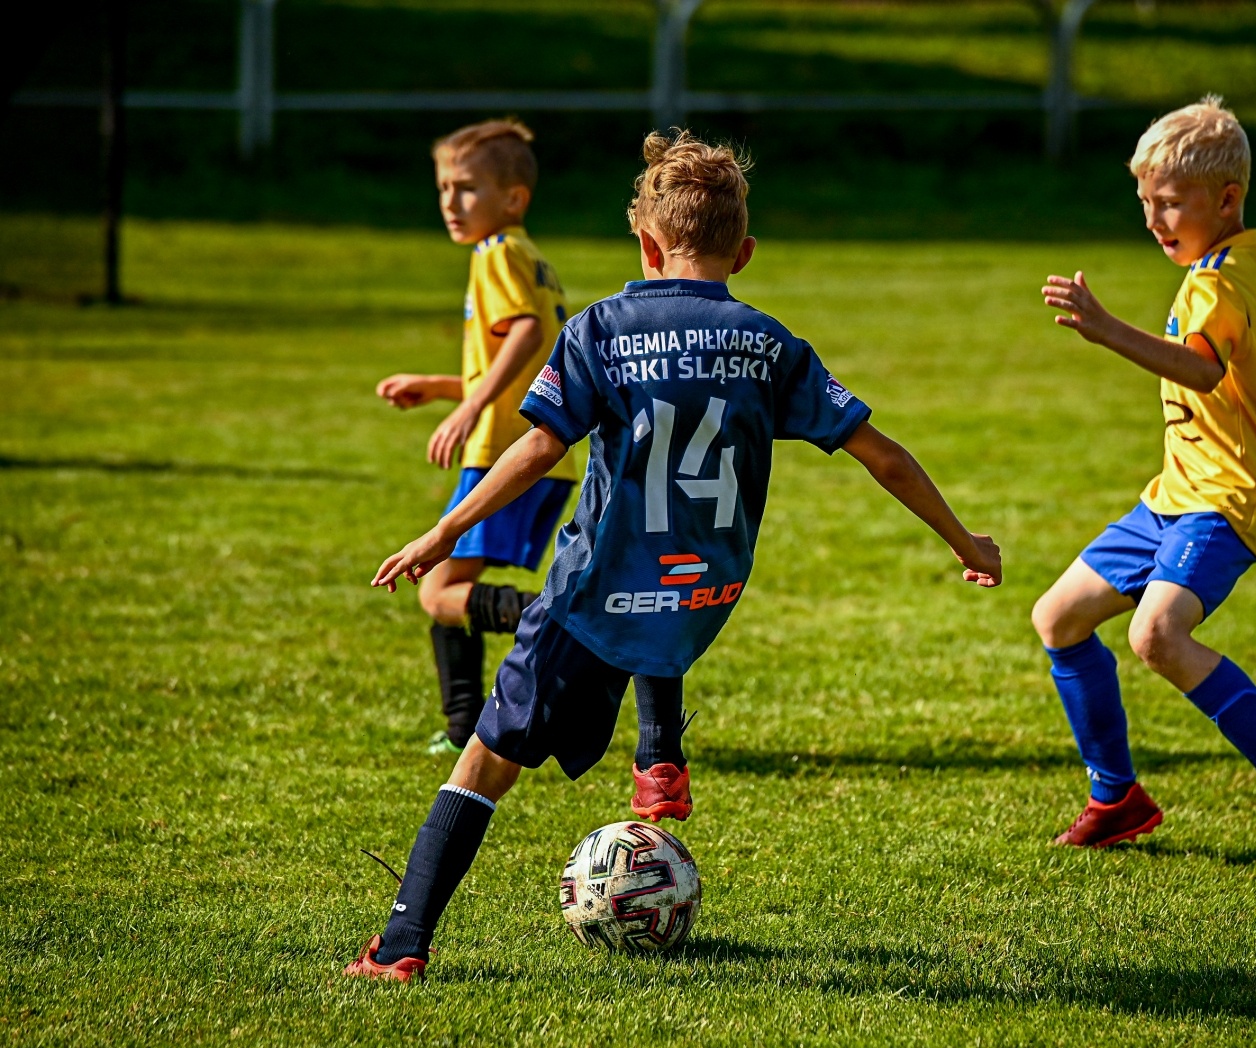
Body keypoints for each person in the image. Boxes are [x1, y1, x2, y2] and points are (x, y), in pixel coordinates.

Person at [344, 130, 1003, 980]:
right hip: (702, 594)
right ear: (745, 253)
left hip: (592, 595)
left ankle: (400, 945)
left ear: (647, 247)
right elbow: (883, 455)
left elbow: (539, 447)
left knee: (483, 761)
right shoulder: (770, 344)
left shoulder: (601, 330)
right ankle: (659, 751)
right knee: (653, 600)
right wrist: (964, 539)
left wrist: (444, 533)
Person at [1033, 96, 1256, 867]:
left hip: (1225, 498)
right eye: (1144, 201)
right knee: (1059, 617)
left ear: (1226, 200)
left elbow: (1200, 368)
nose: (1153, 219)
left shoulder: (1216, 286)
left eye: (1169, 202)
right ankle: (1116, 799)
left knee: (1156, 635)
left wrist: (1106, 328)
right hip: (1174, 496)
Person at [374, 119, 579, 756]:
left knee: (437, 592)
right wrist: (444, 388)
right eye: (443, 187)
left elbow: (525, 333)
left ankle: (555, 623)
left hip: (505, 453)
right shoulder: (529, 256)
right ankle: (463, 724)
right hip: (538, 450)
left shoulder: (496, 253)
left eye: (466, 188)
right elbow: (530, 352)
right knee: (441, 585)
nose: (450, 201)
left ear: (513, 198)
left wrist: (471, 407)